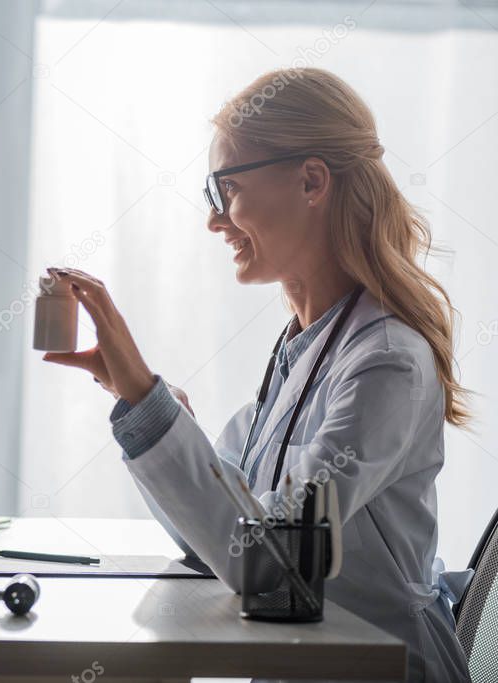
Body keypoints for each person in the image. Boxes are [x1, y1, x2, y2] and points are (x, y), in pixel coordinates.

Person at [44, 68, 472, 682]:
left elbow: (270, 565)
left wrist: (148, 402)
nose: (215, 221)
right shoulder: (301, 350)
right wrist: (147, 407)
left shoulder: (386, 362)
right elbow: (215, 541)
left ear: (311, 180)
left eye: (228, 190)